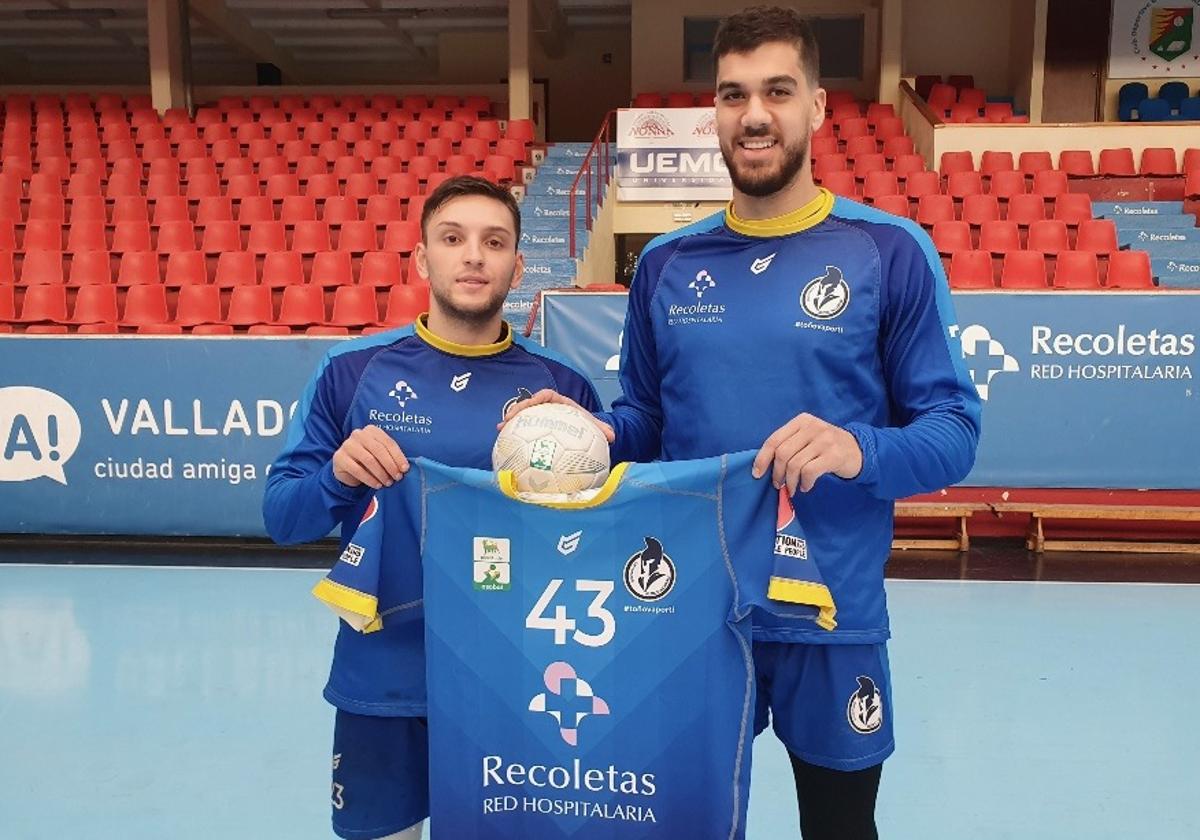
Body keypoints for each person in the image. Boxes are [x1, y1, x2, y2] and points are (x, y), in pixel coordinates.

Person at [502, 6, 982, 839]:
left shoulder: (888, 251)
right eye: (734, 94)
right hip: (684, 605)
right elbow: (646, 418)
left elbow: (953, 431)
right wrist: (585, 434)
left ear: (818, 107)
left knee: (838, 829)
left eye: (777, 91)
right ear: (714, 113)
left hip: (831, 616)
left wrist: (854, 446)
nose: (755, 114)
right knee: (677, 825)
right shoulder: (666, 262)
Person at [263, 175, 601, 840]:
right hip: (383, 679)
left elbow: (600, 539)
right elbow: (282, 517)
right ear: (423, 259)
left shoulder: (563, 392)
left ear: (516, 265)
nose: (473, 256)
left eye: (494, 242)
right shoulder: (351, 371)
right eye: (453, 239)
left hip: (517, 684)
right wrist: (336, 474)